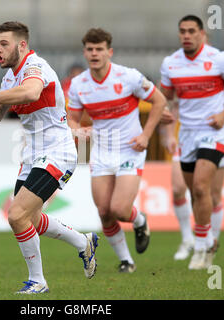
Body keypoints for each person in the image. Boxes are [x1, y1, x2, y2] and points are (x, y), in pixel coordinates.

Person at [0, 21, 98, 294]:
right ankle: (83, 243)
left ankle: (38, 282)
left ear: (22, 45)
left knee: (16, 215)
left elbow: (32, 91)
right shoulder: (10, 78)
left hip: (58, 153)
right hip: (32, 155)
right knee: (30, 220)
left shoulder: (36, 67)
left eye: (4, 44)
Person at [67, 28, 167, 273]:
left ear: (109, 52)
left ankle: (139, 219)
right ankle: (127, 261)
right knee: (104, 212)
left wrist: (146, 135)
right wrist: (78, 130)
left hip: (130, 149)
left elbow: (160, 101)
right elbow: (71, 118)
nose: (94, 53)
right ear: (84, 52)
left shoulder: (128, 77)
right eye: (90, 49)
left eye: (99, 49)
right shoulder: (79, 85)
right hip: (102, 151)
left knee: (120, 209)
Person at [159, 15, 224, 270]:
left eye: (191, 31)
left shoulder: (219, 59)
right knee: (193, 192)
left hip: (214, 132)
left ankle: (200, 245)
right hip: (187, 133)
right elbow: (163, 97)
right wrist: (164, 120)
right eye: (182, 31)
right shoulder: (170, 64)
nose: (186, 35)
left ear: (201, 34)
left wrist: (223, 115)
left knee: (201, 188)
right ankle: (206, 239)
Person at [160, 83, 224, 261]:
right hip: (187, 138)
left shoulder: (222, 72)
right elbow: (173, 104)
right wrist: (170, 134)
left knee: (212, 193)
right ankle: (188, 239)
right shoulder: (181, 71)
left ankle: (212, 241)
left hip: (215, 137)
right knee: (179, 189)